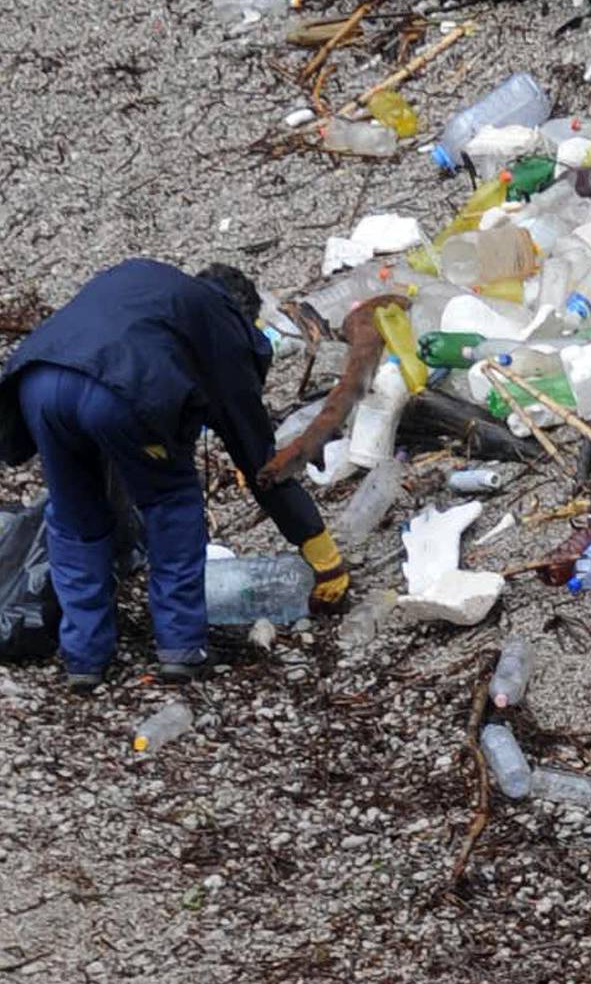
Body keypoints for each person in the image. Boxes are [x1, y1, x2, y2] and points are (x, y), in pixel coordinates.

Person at [0, 257, 347, 693]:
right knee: (171, 504)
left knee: (75, 520)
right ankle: (181, 648)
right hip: (117, 394)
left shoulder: (145, 282)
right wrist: (317, 546)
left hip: (39, 384)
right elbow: (258, 459)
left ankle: (84, 658)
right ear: (244, 312)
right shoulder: (222, 324)